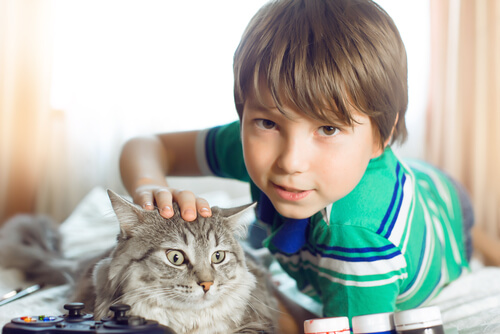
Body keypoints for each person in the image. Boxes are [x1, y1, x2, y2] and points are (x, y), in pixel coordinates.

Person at [119, 0, 474, 331]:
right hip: (378, 189)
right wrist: (150, 188)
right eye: (269, 123)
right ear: (245, 116)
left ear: (382, 135)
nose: (290, 161)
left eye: (328, 128)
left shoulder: (359, 244)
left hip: (446, 207)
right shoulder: (254, 140)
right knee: (260, 230)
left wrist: (268, 294)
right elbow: (149, 145)